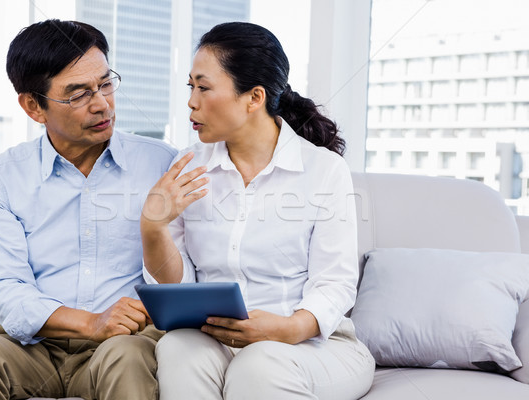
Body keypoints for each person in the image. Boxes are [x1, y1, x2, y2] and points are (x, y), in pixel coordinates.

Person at [0, 19, 176, 400]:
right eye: (77, 95)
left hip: (122, 344)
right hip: (30, 346)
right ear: (33, 106)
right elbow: (7, 289)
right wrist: (91, 322)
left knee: (127, 356)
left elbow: (183, 274)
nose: (101, 104)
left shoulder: (162, 165)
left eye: (106, 84)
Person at [140, 22, 375, 400]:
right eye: (191, 86)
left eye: (204, 87)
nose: (191, 101)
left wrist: (287, 328)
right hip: (214, 338)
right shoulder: (187, 166)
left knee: (260, 363)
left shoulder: (323, 170)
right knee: (178, 349)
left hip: (311, 344)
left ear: (254, 97)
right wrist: (153, 228)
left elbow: (335, 283)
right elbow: (177, 287)